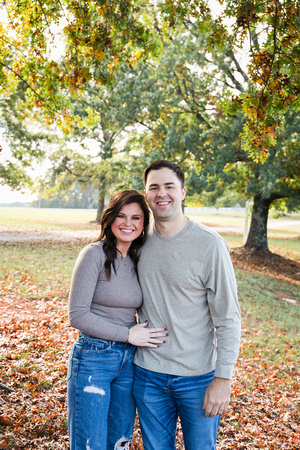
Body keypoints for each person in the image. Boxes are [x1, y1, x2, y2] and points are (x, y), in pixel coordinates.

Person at [133, 161, 241, 450]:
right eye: (154, 187)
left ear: (182, 191)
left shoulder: (210, 245)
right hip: (149, 374)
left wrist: (223, 378)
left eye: (169, 186)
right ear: (146, 195)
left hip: (198, 378)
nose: (162, 193)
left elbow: (228, 317)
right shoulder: (137, 242)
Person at [67, 189, 167, 450]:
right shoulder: (94, 255)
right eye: (121, 216)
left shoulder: (137, 259)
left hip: (129, 362)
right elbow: (77, 315)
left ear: (143, 224)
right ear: (110, 218)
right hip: (93, 358)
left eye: (136, 218)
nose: (127, 223)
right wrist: (127, 334)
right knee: (91, 443)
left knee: (120, 442)